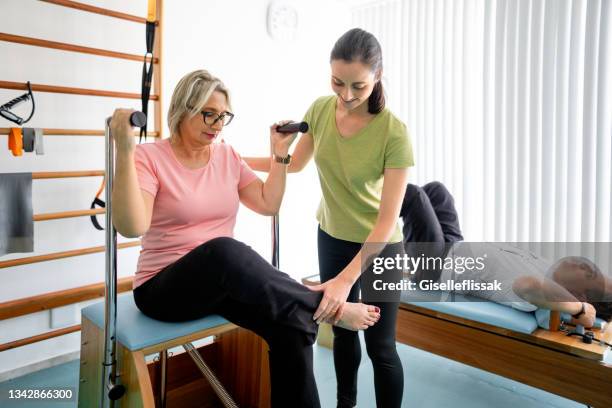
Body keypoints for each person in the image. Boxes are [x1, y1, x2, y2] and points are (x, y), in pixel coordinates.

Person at [109, 69, 382, 408]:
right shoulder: (149, 157)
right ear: (183, 108)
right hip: (164, 289)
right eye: (208, 114)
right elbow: (132, 226)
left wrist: (280, 153)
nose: (217, 124)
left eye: (223, 116)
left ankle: (309, 310)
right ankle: (331, 309)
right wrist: (124, 149)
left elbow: (268, 203)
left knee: (292, 327)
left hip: (221, 283)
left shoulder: (227, 155)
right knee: (225, 251)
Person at [246, 28, 414, 408]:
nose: (348, 95)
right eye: (338, 82)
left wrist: (345, 279)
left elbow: (387, 220)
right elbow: (295, 164)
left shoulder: (394, 132)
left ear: (378, 75)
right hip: (333, 235)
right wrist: (233, 158)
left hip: (381, 246)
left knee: (381, 347)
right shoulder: (321, 110)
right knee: (342, 334)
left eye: (359, 86)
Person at [400, 181, 612, 328]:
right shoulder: (549, 267)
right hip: (455, 245)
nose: (586, 264)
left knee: (413, 196)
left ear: (580, 296)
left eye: (589, 274)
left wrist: (579, 309)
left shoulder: (542, 293)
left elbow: (528, 286)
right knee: (437, 191)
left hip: (436, 267)